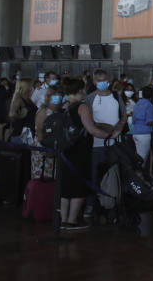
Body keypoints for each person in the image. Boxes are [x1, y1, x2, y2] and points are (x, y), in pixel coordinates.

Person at [60, 78, 121, 231]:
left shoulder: (63, 106)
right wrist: (110, 136)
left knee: (66, 185)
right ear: (81, 90)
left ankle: (63, 220)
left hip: (65, 149)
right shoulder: (82, 107)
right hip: (80, 150)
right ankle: (72, 221)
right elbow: (91, 129)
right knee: (79, 184)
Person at [84, 69, 126, 195]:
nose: (102, 83)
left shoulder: (116, 96)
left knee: (115, 175)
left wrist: (119, 127)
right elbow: (88, 120)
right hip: (96, 144)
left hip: (116, 143)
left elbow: (124, 115)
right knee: (95, 175)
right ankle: (93, 204)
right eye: (99, 81)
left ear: (108, 81)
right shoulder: (90, 98)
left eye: (104, 80)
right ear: (94, 81)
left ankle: (113, 203)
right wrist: (106, 127)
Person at [32, 85, 64, 180]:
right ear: (48, 97)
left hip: (54, 148)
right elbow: (39, 131)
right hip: (43, 149)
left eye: (59, 96)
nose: (57, 99)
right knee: (41, 178)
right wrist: (46, 150)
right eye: (55, 96)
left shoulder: (58, 112)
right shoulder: (43, 111)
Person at [131, 86, 153, 164]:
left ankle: (135, 175)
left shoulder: (137, 104)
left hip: (135, 133)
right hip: (144, 134)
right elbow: (149, 122)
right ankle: (137, 175)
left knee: (137, 158)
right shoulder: (149, 105)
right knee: (141, 161)